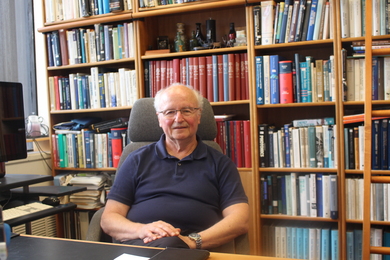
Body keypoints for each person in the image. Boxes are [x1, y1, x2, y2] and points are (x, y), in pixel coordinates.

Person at [101, 83, 249, 251]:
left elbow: (240, 219)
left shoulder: (221, 164)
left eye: (187, 110)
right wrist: (141, 230)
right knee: (169, 246)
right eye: (170, 112)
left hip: (196, 249)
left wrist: (193, 241)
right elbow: (109, 219)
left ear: (199, 116)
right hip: (142, 245)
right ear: (159, 119)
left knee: (171, 246)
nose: (179, 119)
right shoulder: (136, 160)